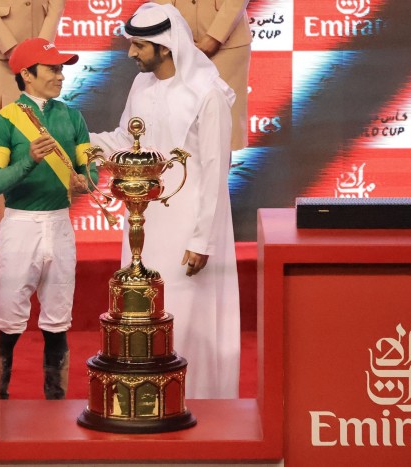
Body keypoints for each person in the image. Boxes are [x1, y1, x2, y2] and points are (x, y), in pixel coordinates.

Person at [90, 3, 240, 399]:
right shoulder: (142, 86)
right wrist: (79, 143)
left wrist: (202, 240)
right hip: (145, 222)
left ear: (165, 46)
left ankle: (198, 402)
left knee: (189, 314)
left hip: (190, 225)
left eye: (139, 45)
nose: (131, 53)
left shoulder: (208, 95)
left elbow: (214, 169)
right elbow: (126, 141)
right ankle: (147, 399)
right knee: (144, 311)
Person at [0, 38, 98, 400]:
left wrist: (85, 180)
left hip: (60, 224)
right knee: (9, 321)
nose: (61, 76)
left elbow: (89, 172)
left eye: (62, 68)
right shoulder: (4, 121)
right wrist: (30, 159)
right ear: (27, 75)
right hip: (19, 226)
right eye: (52, 69)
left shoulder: (73, 116)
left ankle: (56, 401)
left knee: (58, 321)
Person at [0, 0, 65, 219]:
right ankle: (6, 222)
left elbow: (57, 4)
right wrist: (11, 47)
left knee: (36, 132)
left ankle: (37, 219)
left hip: (39, 51)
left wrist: (42, 48)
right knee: (0, 137)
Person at [153, 0, 251, 151]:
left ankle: (218, 175)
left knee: (220, 128)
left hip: (227, 41)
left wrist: (216, 36)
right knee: (177, 123)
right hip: (173, 42)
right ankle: (181, 174)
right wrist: (172, 29)